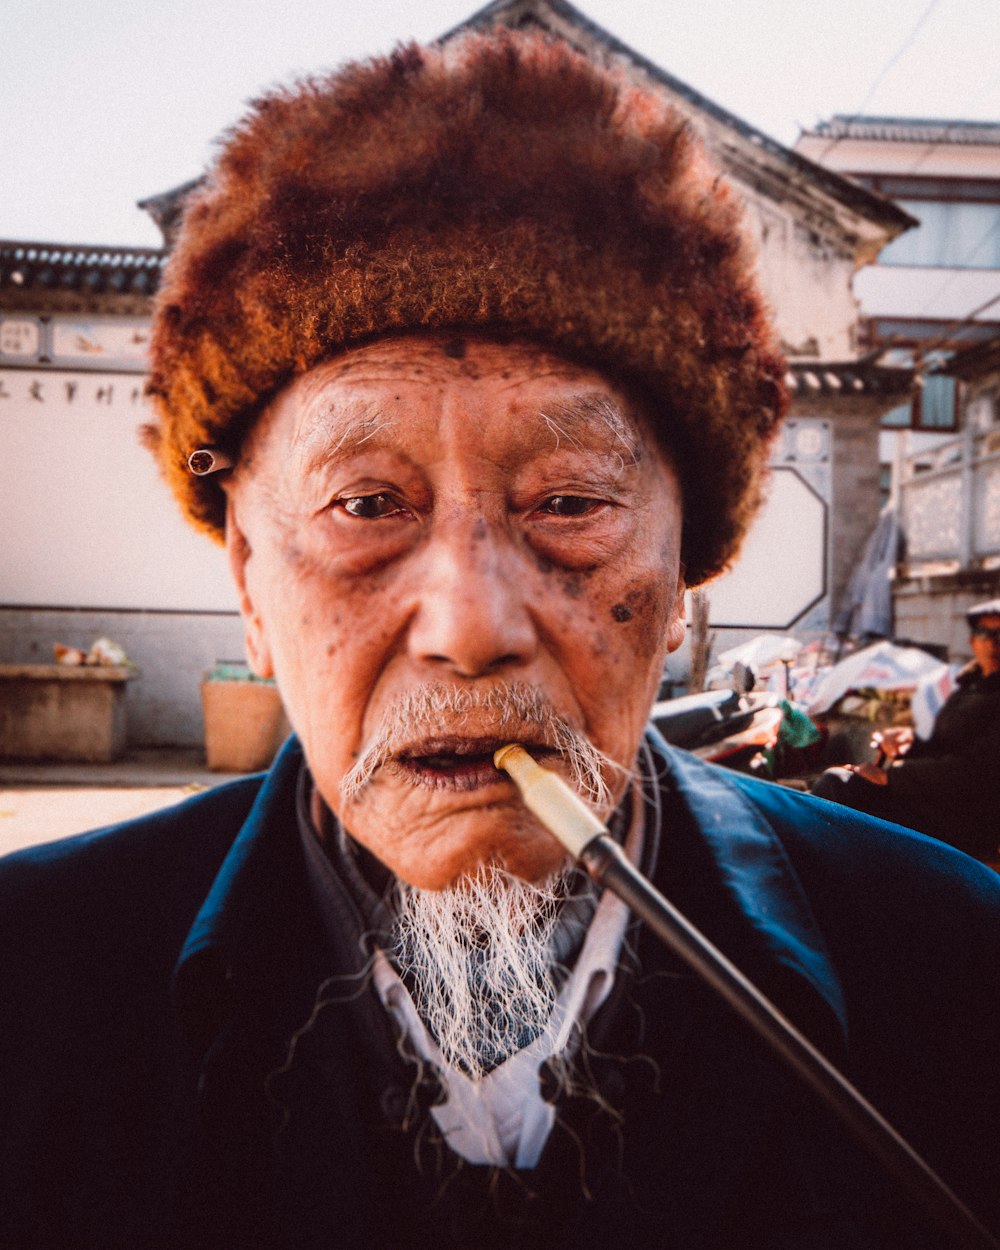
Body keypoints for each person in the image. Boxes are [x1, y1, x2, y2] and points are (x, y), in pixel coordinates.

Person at [2, 31, 999, 1250]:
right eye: (366, 507)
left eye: (570, 504)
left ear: (686, 574)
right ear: (252, 589)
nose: (471, 628)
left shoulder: (949, 962)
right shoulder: (34, 983)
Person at [812, 599, 1000, 858]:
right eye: (984, 633)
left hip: (963, 818)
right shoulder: (972, 684)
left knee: (839, 790)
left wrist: (893, 776)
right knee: (837, 784)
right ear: (972, 641)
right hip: (930, 798)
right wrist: (907, 740)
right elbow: (944, 742)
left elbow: (976, 772)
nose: (992, 642)